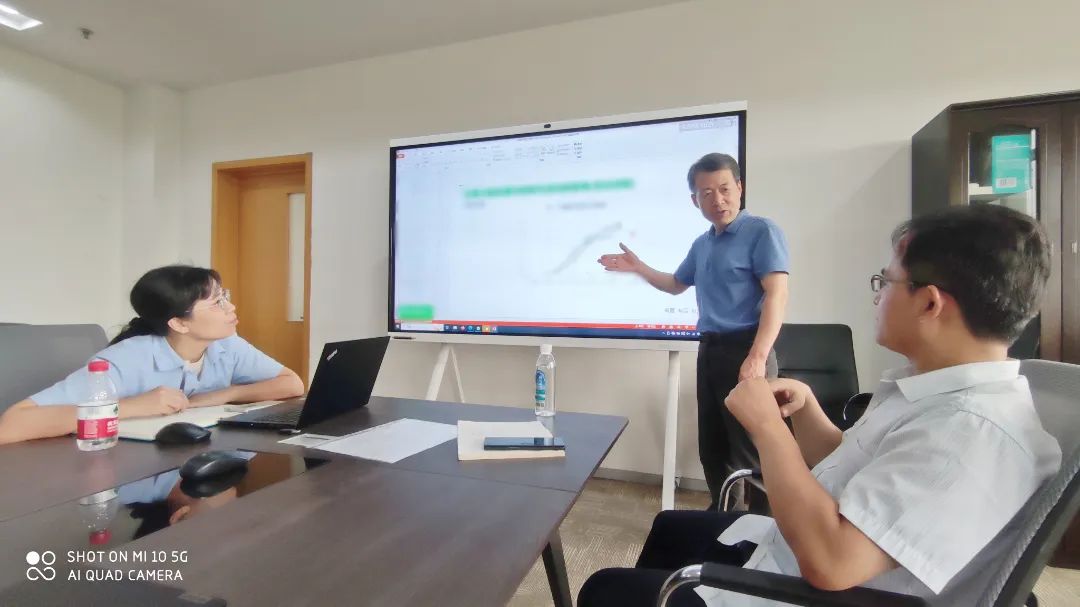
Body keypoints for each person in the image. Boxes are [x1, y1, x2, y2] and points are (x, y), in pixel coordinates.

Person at [580, 204, 1062, 606]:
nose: (877, 295)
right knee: (669, 528)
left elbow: (832, 563)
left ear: (930, 304)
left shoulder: (968, 434)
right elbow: (852, 468)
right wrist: (806, 410)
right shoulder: (933, 392)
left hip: (813, 587)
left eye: (886, 281)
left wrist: (768, 430)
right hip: (789, 553)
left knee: (605, 589)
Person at [599, 153, 790, 509]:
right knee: (713, 448)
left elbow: (776, 294)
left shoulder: (761, 231)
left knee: (753, 449)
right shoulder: (703, 244)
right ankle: (723, 517)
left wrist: (758, 357)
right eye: (706, 193)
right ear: (694, 200)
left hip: (747, 349)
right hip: (710, 351)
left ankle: (764, 528)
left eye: (724, 189)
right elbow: (675, 284)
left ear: (739, 188)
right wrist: (638, 267)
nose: (718, 200)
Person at [0, 265, 304, 444]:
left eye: (225, 297)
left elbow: (291, 384)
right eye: (217, 303)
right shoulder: (126, 359)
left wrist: (224, 394)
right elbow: (11, 424)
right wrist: (132, 406)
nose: (231, 308)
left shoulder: (227, 345)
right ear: (179, 323)